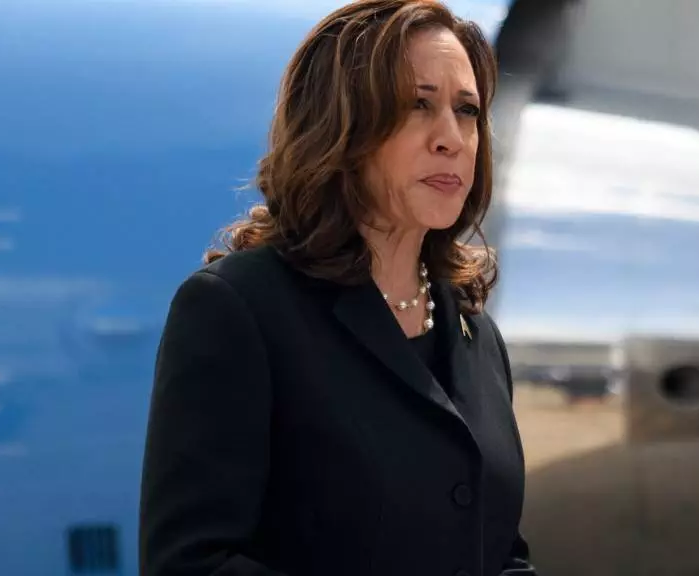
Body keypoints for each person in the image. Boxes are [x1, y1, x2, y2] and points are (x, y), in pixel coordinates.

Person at [137, 1, 538, 575]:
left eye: (467, 110)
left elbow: (499, 551)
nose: (452, 138)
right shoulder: (238, 309)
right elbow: (192, 565)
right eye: (417, 105)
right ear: (342, 128)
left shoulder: (477, 335)